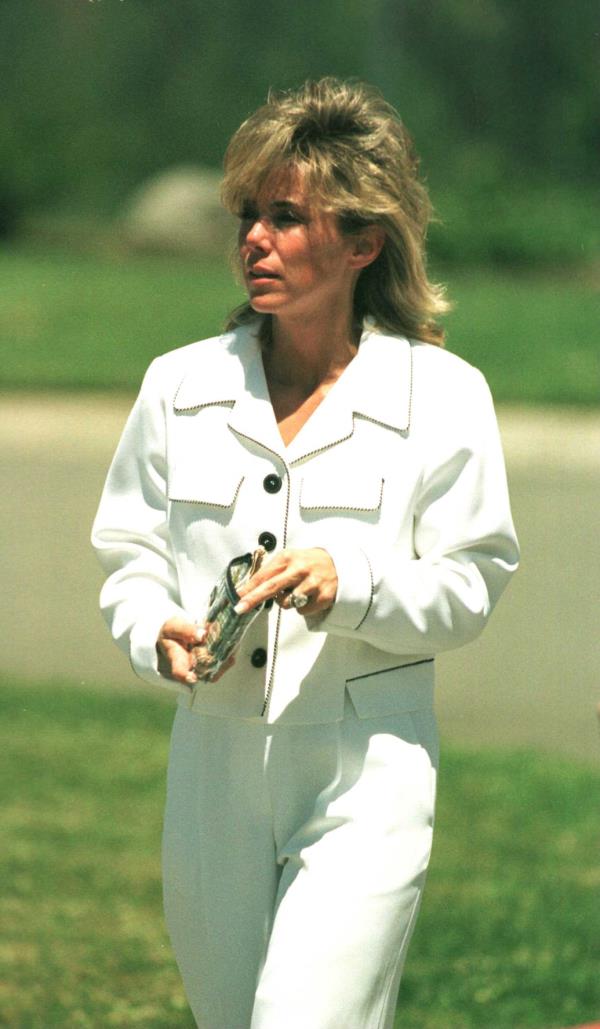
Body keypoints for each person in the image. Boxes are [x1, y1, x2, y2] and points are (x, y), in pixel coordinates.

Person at [92, 77, 519, 1029]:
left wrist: (351, 581)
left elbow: (472, 581)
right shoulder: (179, 386)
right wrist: (147, 625)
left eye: (288, 217)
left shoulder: (444, 396)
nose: (254, 237)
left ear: (364, 241)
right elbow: (127, 553)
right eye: (251, 213)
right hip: (210, 768)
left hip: (365, 767)